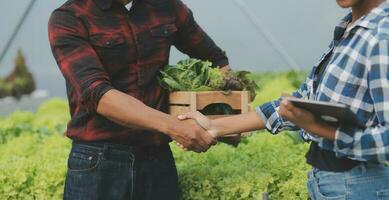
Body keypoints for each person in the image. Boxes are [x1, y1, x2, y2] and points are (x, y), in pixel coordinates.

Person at [179, 0, 389, 199]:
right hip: (330, 182)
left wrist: (319, 128)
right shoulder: (349, 29)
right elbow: (302, 100)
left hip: (358, 185)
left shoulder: (381, 36)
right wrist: (215, 126)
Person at [48, 0, 229, 199]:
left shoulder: (166, 6)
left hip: (156, 159)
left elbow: (215, 59)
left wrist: (228, 107)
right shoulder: (70, 16)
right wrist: (175, 127)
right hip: (98, 162)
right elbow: (98, 95)